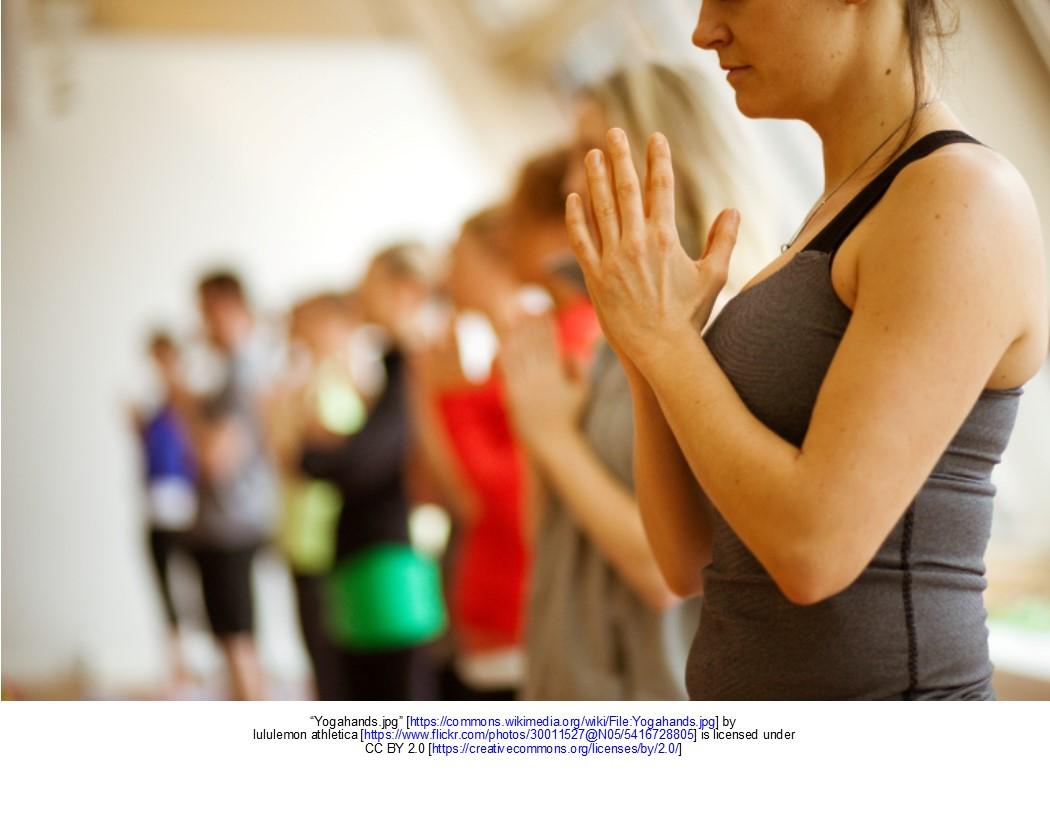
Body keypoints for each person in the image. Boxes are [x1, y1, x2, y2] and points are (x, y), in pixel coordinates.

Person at [568, 0, 1049, 699]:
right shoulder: (834, 213)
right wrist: (647, 342)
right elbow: (687, 555)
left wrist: (668, 344)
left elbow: (813, 551)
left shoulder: (961, 195)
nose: (704, 30)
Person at [500, 63, 759, 700]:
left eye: (585, 157)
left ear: (660, 161)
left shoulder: (717, 329)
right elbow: (552, 534)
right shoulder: (612, 336)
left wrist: (553, 436)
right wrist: (538, 425)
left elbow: (666, 570)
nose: (568, 184)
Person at [298, 245, 447, 700]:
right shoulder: (389, 368)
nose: (359, 292)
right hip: (367, 554)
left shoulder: (416, 365)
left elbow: (359, 464)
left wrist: (315, 452)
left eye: (371, 281)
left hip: (391, 557)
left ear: (405, 290)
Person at [414, 207, 533, 700]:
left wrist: (432, 395)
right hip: (483, 610)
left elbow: (482, 498)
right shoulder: (493, 366)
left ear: (496, 260)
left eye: (458, 257)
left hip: (517, 616)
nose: (447, 274)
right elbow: (438, 489)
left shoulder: (530, 353)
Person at [181, 270, 279, 700]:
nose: (201, 324)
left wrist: (181, 401)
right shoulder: (234, 370)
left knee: (239, 643)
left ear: (226, 307)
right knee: (232, 641)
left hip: (233, 522)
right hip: (223, 522)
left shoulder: (244, 371)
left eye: (204, 311)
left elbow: (214, 458)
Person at [267, 293, 367, 699]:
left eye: (302, 321)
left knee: (338, 664)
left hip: (333, 538)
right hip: (304, 538)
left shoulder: (352, 380)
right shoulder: (302, 384)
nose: (293, 331)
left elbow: (339, 452)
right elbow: (286, 452)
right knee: (321, 660)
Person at [130, 330, 196, 693]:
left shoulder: (189, 401)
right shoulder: (154, 407)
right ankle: (179, 666)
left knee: (195, 588)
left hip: (186, 506)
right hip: (156, 504)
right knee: (165, 588)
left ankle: (203, 664)